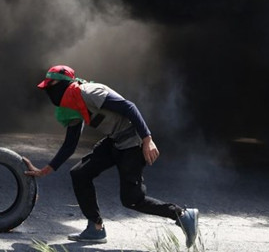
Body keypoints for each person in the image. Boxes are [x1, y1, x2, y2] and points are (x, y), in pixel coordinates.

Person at [23, 64, 199, 246]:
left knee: (132, 200)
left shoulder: (89, 92)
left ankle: (182, 214)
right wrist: (46, 170)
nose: (49, 92)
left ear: (63, 84)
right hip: (114, 141)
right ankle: (95, 228)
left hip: (133, 143)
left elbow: (129, 107)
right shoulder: (73, 103)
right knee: (80, 173)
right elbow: (70, 144)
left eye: (51, 86)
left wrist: (147, 139)